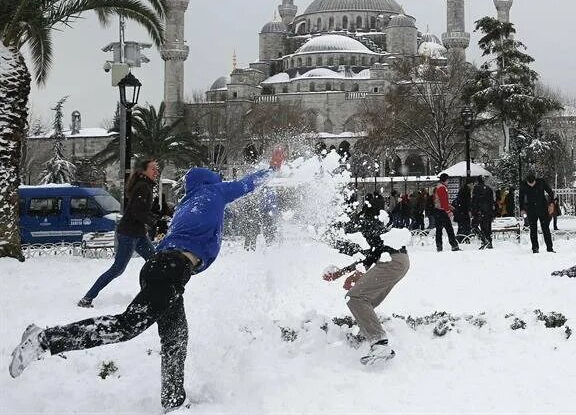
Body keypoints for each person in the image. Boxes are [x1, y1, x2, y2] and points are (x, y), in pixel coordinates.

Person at [10, 147, 287, 410]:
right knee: (126, 326)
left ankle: (173, 401)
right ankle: (45, 339)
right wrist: (272, 169)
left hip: (163, 268)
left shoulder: (187, 203)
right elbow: (246, 184)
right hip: (170, 270)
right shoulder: (213, 192)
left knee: (176, 338)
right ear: (211, 181)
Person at [323, 194, 409, 365]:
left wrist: (346, 274)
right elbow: (372, 254)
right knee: (365, 302)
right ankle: (366, 334)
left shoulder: (367, 222)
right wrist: (344, 273)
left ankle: (379, 343)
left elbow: (371, 255)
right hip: (400, 261)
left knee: (355, 298)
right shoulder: (378, 221)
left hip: (391, 261)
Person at [78, 158, 160, 308]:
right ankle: (87, 298)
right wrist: (155, 222)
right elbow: (136, 212)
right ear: (143, 171)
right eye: (153, 169)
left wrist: (156, 218)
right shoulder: (143, 187)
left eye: (156, 169)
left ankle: (151, 294)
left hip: (138, 233)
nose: (156, 172)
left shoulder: (145, 186)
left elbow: (141, 210)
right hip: (128, 233)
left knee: (155, 261)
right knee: (118, 269)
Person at [519, 172, 555, 253]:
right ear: (527, 181)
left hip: (542, 208)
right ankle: (535, 248)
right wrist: (522, 209)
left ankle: (550, 248)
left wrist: (551, 203)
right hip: (531, 210)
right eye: (529, 183)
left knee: (545, 228)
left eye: (532, 183)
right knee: (533, 229)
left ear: (535, 180)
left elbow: (550, 192)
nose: (531, 185)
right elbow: (521, 198)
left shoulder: (541, 182)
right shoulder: (523, 185)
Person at [431, 174, 460, 252]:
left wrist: (449, 206)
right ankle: (454, 245)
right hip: (442, 211)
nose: (448, 182)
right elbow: (443, 201)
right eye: (448, 180)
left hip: (437, 210)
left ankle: (439, 247)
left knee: (439, 230)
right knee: (449, 229)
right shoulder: (442, 188)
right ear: (445, 180)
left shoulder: (438, 187)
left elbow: (439, 200)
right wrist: (448, 211)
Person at [471, 176, 495, 249]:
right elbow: (492, 201)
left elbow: (474, 200)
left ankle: (484, 240)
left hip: (480, 210)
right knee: (487, 227)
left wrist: (474, 210)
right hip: (488, 211)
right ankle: (489, 241)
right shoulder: (489, 189)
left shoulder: (476, 188)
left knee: (476, 226)